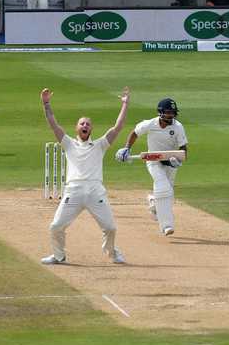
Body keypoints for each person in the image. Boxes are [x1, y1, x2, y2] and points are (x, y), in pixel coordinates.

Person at [40, 87, 130, 265]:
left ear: (91, 129)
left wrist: (125, 104)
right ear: (76, 128)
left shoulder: (100, 145)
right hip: (73, 191)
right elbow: (53, 124)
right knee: (56, 227)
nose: (85, 126)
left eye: (87, 124)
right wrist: (46, 103)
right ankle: (59, 256)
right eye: (82, 124)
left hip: (96, 191)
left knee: (110, 228)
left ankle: (112, 253)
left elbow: (118, 127)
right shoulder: (68, 143)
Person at [114, 98, 188, 236]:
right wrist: (127, 148)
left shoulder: (178, 127)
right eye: (168, 112)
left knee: (168, 193)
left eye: (172, 112)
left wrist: (178, 161)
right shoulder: (150, 124)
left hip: (170, 162)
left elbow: (184, 149)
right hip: (153, 161)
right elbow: (135, 133)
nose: (171, 115)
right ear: (160, 112)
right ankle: (167, 225)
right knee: (163, 187)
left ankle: (154, 202)